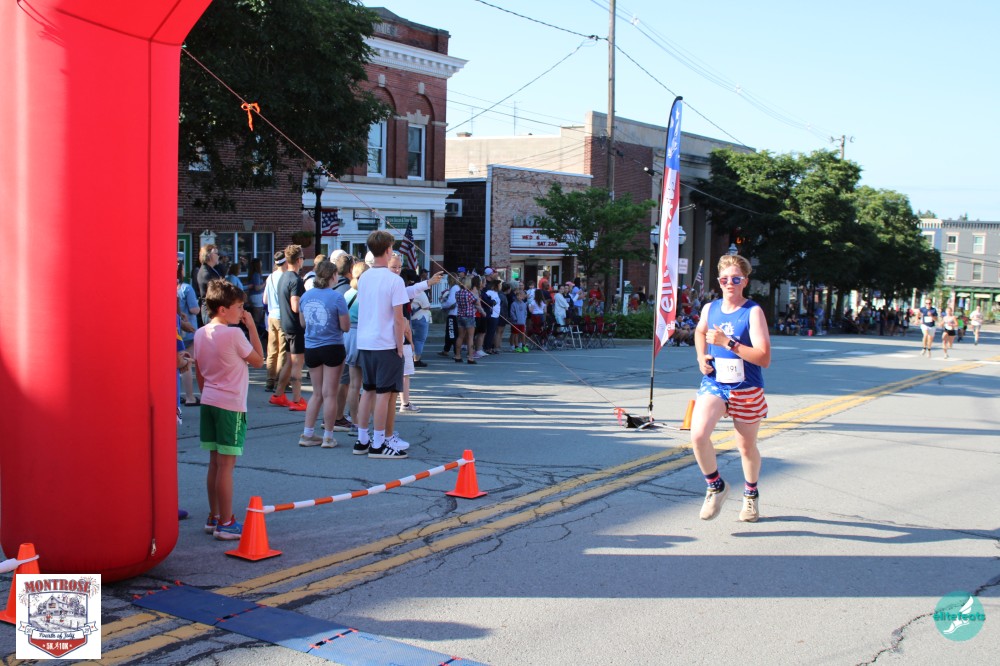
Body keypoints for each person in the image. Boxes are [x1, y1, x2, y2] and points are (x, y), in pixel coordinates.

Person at [690, 255, 771, 523]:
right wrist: (701, 356)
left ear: (745, 281)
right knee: (698, 435)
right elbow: (700, 332)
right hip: (715, 382)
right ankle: (716, 486)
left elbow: (764, 358)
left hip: (746, 387)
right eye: (724, 279)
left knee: (746, 447)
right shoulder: (710, 308)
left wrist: (728, 343)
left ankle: (750, 496)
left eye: (736, 279)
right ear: (719, 281)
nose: (729, 283)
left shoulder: (752, 312)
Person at [193, 279, 264, 540]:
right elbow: (259, 360)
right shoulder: (234, 334)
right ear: (223, 310)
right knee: (226, 466)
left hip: (209, 401)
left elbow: (199, 372)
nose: (242, 311)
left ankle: (214, 516)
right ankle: (226, 522)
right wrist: (252, 327)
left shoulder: (201, 333)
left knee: (214, 463)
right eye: (238, 307)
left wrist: (207, 393)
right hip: (230, 406)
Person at [353, 230, 410, 459]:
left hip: (365, 341)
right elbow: (398, 318)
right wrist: (400, 346)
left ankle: (362, 439)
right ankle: (378, 443)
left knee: (368, 390)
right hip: (385, 343)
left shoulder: (364, 278)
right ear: (388, 250)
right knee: (384, 394)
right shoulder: (394, 280)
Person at [297, 260, 350, 448]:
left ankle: (307, 434)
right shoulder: (337, 298)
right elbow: (345, 326)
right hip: (332, 346)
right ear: (333, 276)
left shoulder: (306, 296)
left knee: (317, 393)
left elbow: (303, 323)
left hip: (312, 347)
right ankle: (328, 436)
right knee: (330, 394)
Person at [272, 245, 307, 410]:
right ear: (299, 260)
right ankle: (297, 399)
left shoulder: (283, 276)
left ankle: (278, 394)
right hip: (295, 326)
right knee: (297, 363)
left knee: (289, 361)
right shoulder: (296, 280)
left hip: (285, 323)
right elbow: (295, 305)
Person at [262, 251, 289, 392]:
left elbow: (265, 300)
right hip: (282, 315)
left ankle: (269, 380)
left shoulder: (270, 277)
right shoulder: (285, 277)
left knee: (272, 350)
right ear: (285, 262)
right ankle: (280, 381)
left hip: (271, 316)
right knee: (282, 350)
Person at [406, 267, 432, 367]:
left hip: (412, 317)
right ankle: (416, 359)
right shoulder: (419, 292)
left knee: (412, 340)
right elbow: (427, 305)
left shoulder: (405, 290)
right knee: (420, 340)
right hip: (421, 317)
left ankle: (412, 358)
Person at [196, 244, 225, 325]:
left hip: (214, 309)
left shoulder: (211, 269)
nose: (218, 256)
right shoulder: (206, 273)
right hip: (210, 311)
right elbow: (217, 291)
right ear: (208, 255)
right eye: (216, 253)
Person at [454, 276, 478, 363]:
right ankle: (470, 357)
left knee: (460, 336)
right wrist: (475, 294)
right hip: (469, 316)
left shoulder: (457, 293)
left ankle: (457, 355)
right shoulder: (469, 294)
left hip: (460, 315)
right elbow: (476, 302)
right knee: (470, 337)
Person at [438, 272, 461, 357]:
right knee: (449, 333)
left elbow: (451, 302)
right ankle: (446, 350)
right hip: (456, 313)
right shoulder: (457, 287)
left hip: (453, 314)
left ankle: (456, 352)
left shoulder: (454, 288)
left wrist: (443, 305)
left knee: (452, 333)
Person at [246, 257, 266, 335]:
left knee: (255, 316)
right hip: (257, 297)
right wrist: (265, 283)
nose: (261, 265)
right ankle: (253, 334)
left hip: (252, 296)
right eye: (260, 263)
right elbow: (257, 287)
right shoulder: (256, 275)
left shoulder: (251, 274)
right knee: (257, 317)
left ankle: (252, 333)